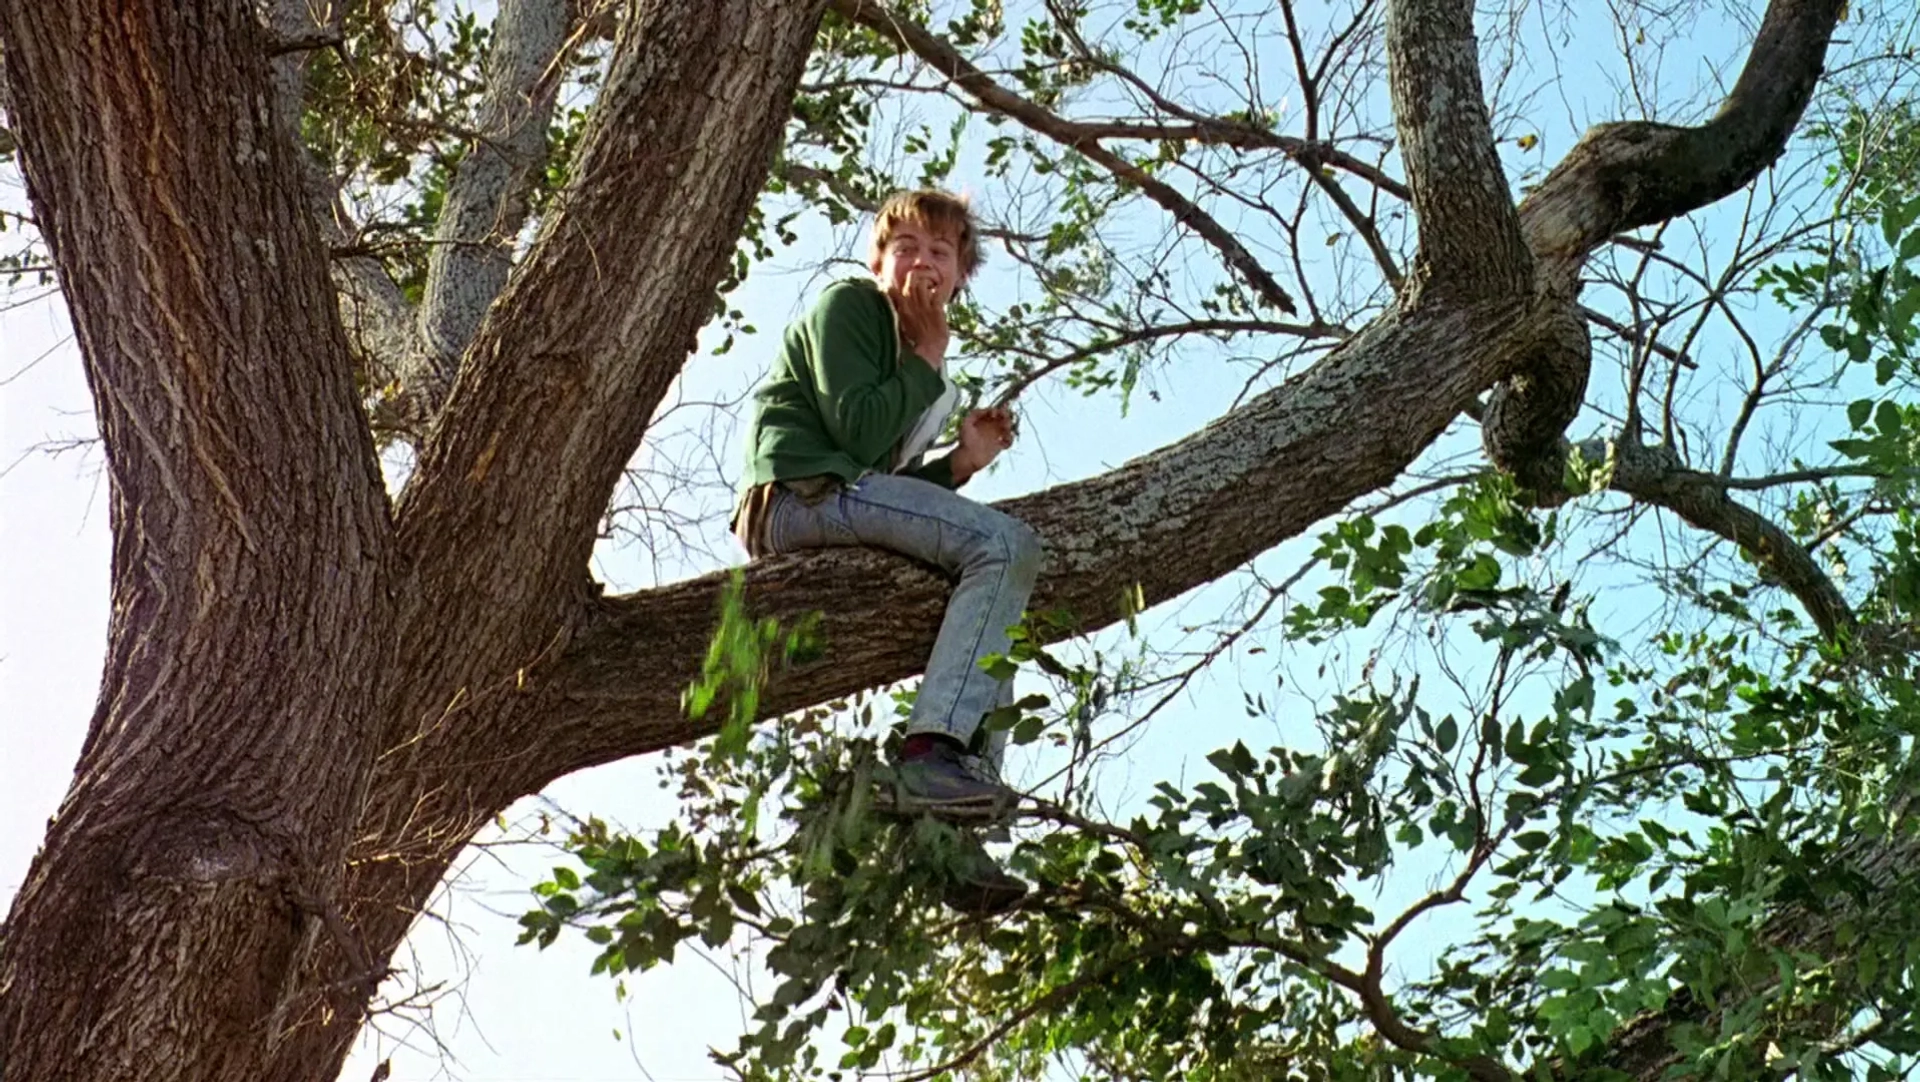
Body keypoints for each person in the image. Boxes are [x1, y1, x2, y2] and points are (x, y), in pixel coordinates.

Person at [732, 189, 1042, 912]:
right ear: (877, 261)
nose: (922, 262)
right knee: (1005, 546)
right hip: (797, 496)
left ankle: (954, 836)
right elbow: (857, 440)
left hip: (843, 495)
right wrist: (929, 356)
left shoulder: (918, 362)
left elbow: (889, 486)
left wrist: (959, 464)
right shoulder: (853, 308)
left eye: (940, 252)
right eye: (905, 246)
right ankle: (930, 757)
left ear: (960, 276)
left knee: (995, 600)